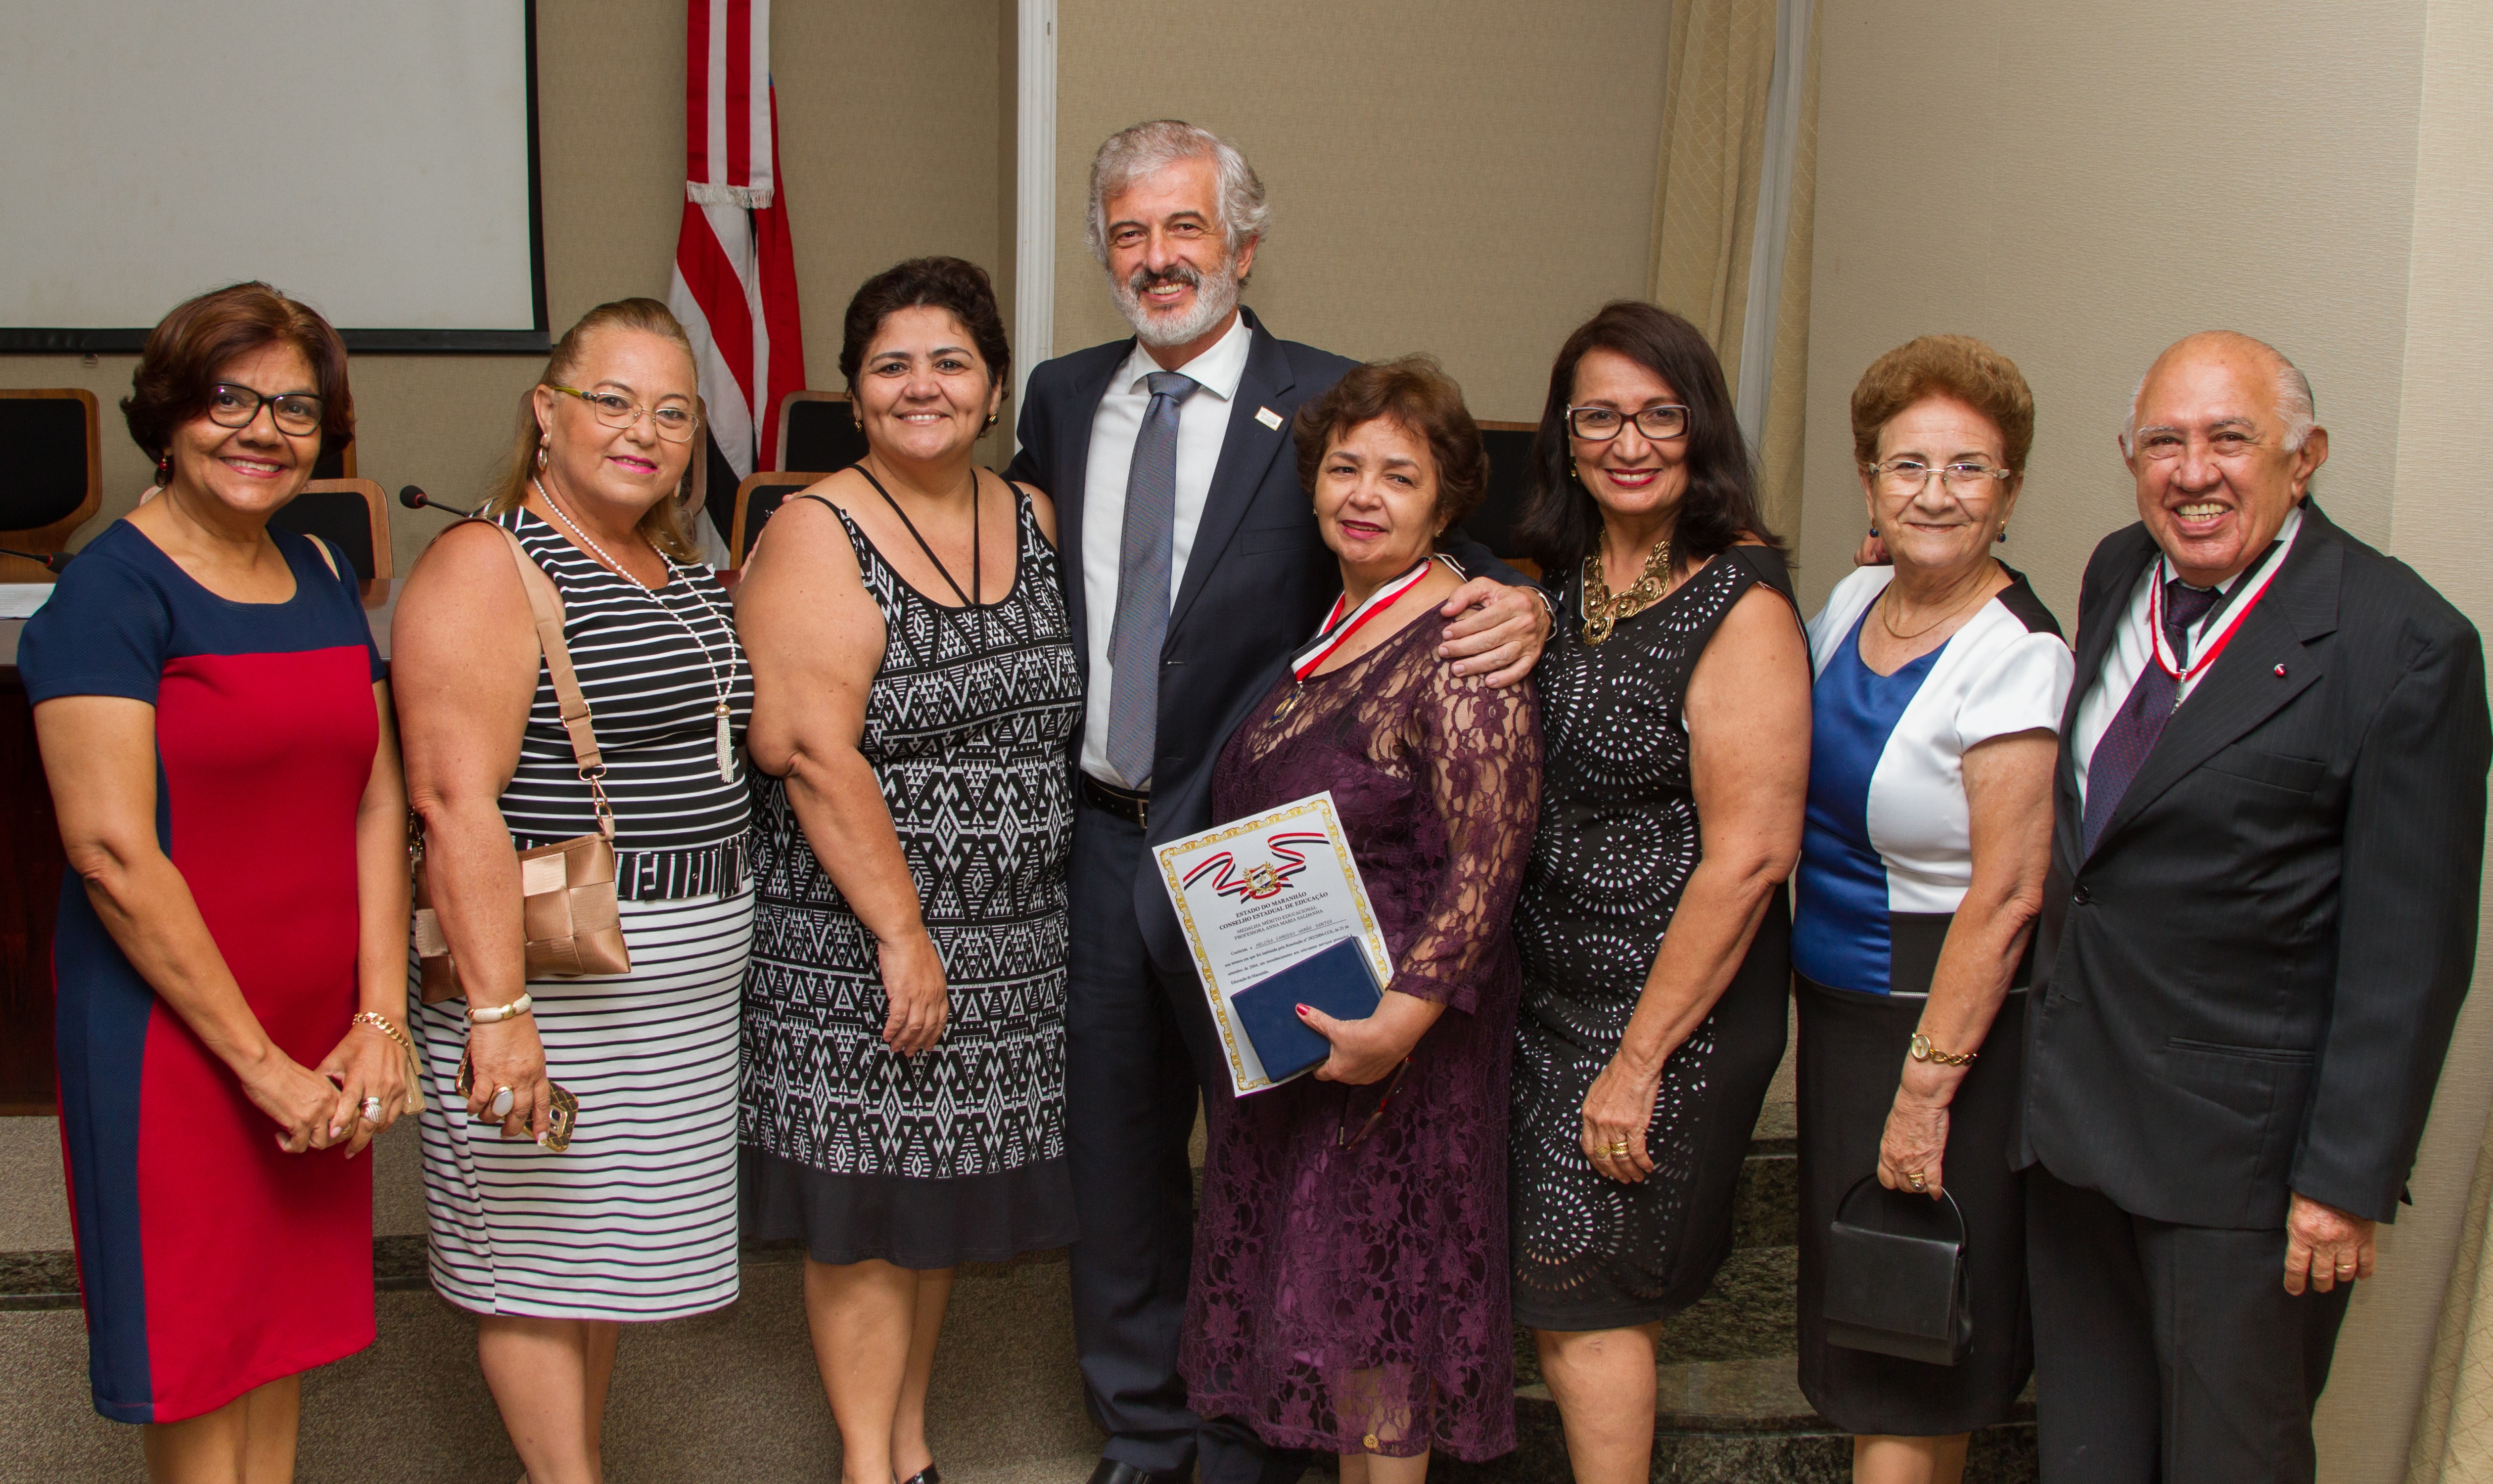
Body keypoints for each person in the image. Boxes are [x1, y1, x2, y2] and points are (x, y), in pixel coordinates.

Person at [1003, 119, 1551, 1484]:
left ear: (1242, 246)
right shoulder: (1065, 397)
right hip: (1100, 837)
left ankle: (1261, 1436)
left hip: (1261, 861)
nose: (1158, 256)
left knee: (1293, 1157)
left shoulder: (1324, 399)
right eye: (1129, 232)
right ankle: (1145, 1432)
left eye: (1186, 228)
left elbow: (1424, 547)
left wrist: (1526, 599)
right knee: (1122, 1160)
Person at [2013, 331, 2490, 1482]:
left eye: (2232, 439)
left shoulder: (2403, 646)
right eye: (2164, 443)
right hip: (2077, 1131)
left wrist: (2344, 1182)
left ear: (2304, 458)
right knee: (2086, 1456)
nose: (2195, 471)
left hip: (2245, 1174)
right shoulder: (2120, 569)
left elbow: (2409, 951)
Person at [24, 281, 410, 1480]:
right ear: (171, 413)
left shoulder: (320, 571)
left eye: (296, 408)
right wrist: (261, 1068)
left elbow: (377, 797)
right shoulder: (109, 591)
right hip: (176, 1035)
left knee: (277, 1334)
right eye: (230, 398)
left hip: (316, 1025)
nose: (262, 431)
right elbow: (110, 853)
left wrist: (379, 1016)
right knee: (199, 1347)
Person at [394, 298, 754, 1484]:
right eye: (612, 401)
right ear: (545, 414)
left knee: (592, 1270)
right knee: (538, 1275)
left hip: (675, 999)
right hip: (555, 980)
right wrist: (500, 1018)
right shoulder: (484, 562)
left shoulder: (679, 561)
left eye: (672, 410)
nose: (642, 431)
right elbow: (456, 804)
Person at [736, 257, 1079, 1484]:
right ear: (854, 390)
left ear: (993, 390)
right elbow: (813, 753)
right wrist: (902, 931)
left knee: (931, 1203)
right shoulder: (812, 532)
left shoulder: (1032, 516)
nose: (921, 386)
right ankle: (867, 1469)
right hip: (860, 937)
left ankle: (912, 1448)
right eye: (891, 364)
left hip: (1015, 938)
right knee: (872, 1221)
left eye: (951, 362)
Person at [1178, 358, 1541, 1476]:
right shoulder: (1333, 627)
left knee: (1382, 1340)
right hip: (1310, 1036)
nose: (1365, 493)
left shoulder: (1464, 645)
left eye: (1400, 474)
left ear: (1445, 501)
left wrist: (1397, 1022)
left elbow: (1491, 859)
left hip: (1403, 1049)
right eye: (1345, 468)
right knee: (1333, 1325)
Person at [1505, 301, 1811, 1484]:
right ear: (1566, 435)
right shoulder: (1566, 581)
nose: (1630, 443)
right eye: (1601, 416)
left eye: (1659, 415)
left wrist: (1636, 1063)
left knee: (1589, 1300)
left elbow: (1749, 858)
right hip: (1552, 996)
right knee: (1560, 1294)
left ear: (1702, 430)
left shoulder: (1743, 604)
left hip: (1669, 1015)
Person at [1790, 336, 2071, 1484]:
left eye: (1970, 468)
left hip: (1942, 1023)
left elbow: (2007, 896)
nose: (1936, 494)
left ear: (2009, 492)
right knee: (1870, 1328)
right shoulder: (1857, 593)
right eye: (1909, 466)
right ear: (1868, 483)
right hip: (1844, 1018)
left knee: (1916, 1342)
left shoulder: (2018, 655)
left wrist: (1924, 1089)